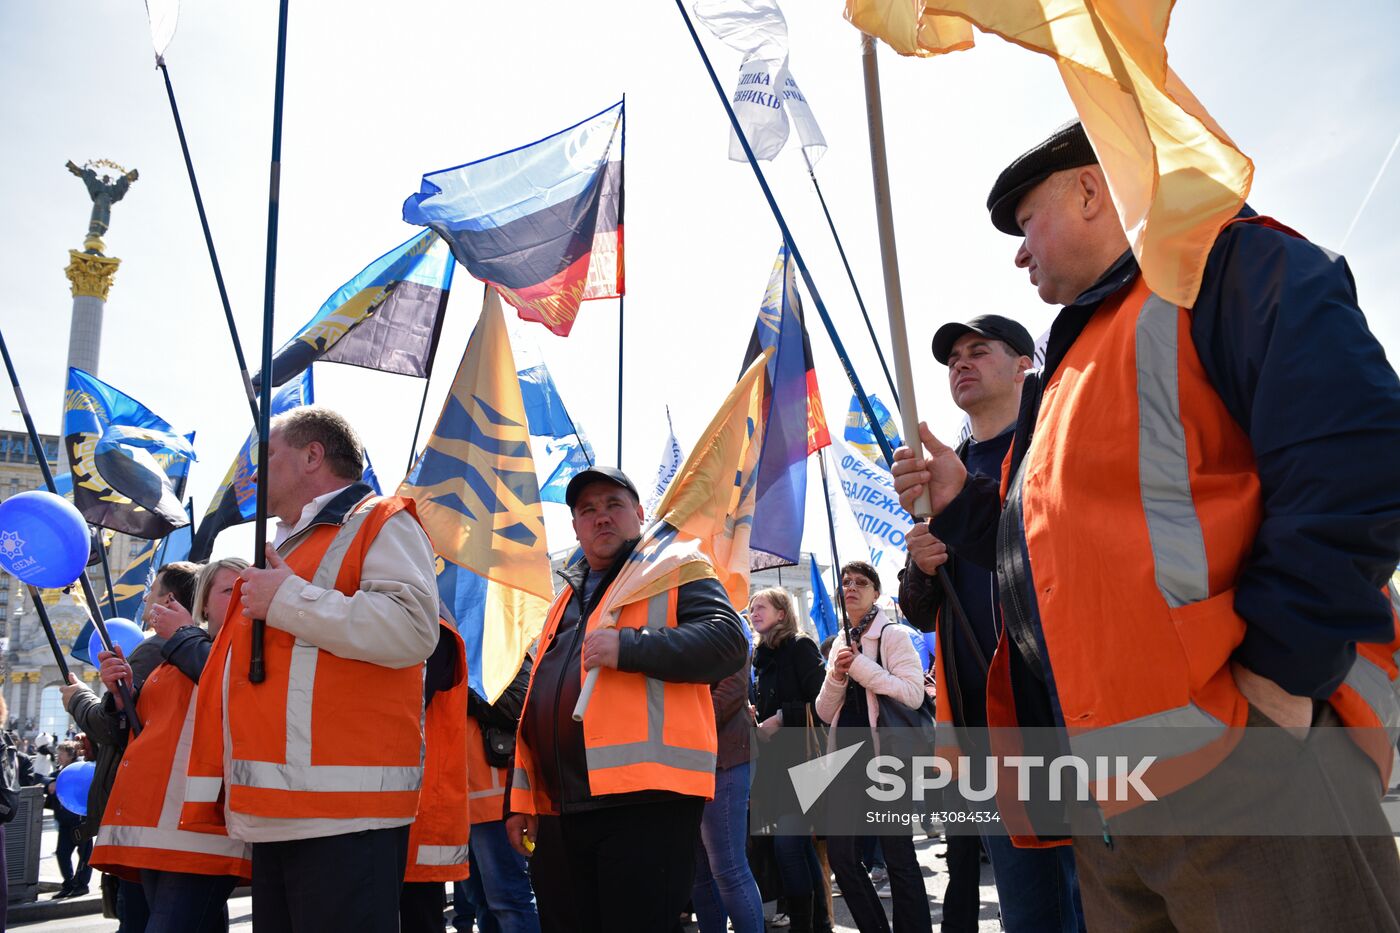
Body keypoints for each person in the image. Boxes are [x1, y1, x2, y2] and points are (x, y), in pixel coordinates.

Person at [892, 120, 1400, 929]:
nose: (1019, 254)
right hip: (1116, 807)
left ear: (1092, 191)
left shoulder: (1221, 261)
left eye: (1027, 225)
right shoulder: (1069, 371)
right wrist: (966, 506)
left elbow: (1358, 454)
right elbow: (1076, 554)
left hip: (1246, 777)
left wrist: (1278, 679)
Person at [182, 406, 440, 933]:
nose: (253, 470)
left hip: (347, 818)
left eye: (267, 454)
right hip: (279, 816)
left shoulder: (379, 520)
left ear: (312, 455)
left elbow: (413, 629)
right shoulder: (291, 546)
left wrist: (288, 599)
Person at [898, 314, 1085, 933]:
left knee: (1097, 898)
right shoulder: (932, 478)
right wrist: (923, 568)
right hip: (985, 723)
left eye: (979, 351)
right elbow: (919, 611)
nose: (962, 364)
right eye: (953, 357)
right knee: (1027, 909)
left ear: (1024, 363)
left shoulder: (1053, 444)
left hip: (1066, 711)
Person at [505, 466, 748, 933]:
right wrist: (523, 800)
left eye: (613, 505)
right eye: (587, 510)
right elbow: (540, 700)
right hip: (561, 808)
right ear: (574, 527)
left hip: (644, 803)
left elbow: (726, 642)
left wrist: (630, 646)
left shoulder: (677, 567)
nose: (601, 518)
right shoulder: (562, 600)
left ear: (639, 514)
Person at [88, 558, 251, 933]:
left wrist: (183, 635)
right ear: (204, 604)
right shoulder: (172, 658)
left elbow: (229, 690)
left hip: (201, 832)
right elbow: (144, 732)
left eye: (245, 586)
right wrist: (121, 694)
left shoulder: (241, 647)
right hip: (155, 823)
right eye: (229, 589)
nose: (242, 594)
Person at [62, 560, 194, 931]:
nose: (145, 600)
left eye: (151, 593)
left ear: (167, 599)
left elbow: (114, 728)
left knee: (138, 916)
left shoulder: (159, 648)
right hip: (160, 814)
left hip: (144, 810)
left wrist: (78, 699)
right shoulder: (189, 646)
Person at [814, 562, 932, 933]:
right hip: (846, 761)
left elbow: (912, 694)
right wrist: (837, 674)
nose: (851, 587)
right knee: (842, 856)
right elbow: (823, 710)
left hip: (888, 761)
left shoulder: (892, 635)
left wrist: (861, 666)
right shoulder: (838, 642)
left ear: (876, 593)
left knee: (898, 857)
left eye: (861, 582)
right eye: (845, 582)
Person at [750, 587, 832, 933]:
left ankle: (803, 926)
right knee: (799, 848)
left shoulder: (801, 646)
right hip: (776, 767)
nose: (754, 612)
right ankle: (821, 923)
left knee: (788, 846)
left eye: (761, 606)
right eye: (751, 608)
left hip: (806, 761)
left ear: (782, 613)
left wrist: (782, 717)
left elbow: (824, 701)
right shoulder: (760, 656)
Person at [454, 655, 540, 933]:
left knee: (508, 901)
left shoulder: (504, 646)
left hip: (495, 804)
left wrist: (461, 689)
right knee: (481, 902)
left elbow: (521, 703)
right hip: (458, 804)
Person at [691, 639, 763, 933]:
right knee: (699, 872)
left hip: (725, 758)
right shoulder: (675, 627)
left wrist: (681, 722)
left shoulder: (726, 629)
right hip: (689, 762)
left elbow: (729, 696)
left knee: (728, 867)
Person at [45, 741, 93, 900]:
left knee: (84, 854)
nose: (58, 757)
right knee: (62, 853)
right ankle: (69, 883)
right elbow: (47, 781)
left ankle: (81, 885)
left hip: (80, 821)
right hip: (65, 821)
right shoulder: (60, 772)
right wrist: (48, 784)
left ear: (71, 754)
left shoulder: (81, 769)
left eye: (61, 753)